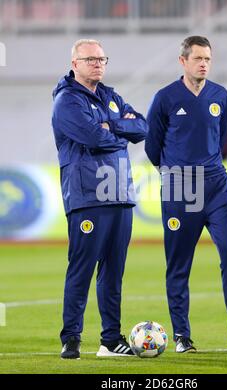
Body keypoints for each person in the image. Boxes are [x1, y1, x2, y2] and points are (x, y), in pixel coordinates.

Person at [145, 36, 227, 353]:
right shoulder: (165, 98)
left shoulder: (219, 95)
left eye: (208, 58)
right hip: (181, 188)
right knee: (179, 264)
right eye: (197, 58)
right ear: (183, 61)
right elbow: (152, 148)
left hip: (216, 186)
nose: (204, 63)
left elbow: (220, 138)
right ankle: (182, 335)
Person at [52, 39, 147, 359]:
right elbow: (93, 136)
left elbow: (143, 127)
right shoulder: (67, 101)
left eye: (101, 58)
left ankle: (110, 339)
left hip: (120, 194)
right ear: (74, 64)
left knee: (113, 271)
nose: (97, 64)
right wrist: (118, 132)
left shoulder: (111, 96)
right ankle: (71, 337)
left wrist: (112, 125)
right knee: (81, 268)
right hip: (88, 195)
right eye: (90, 59)